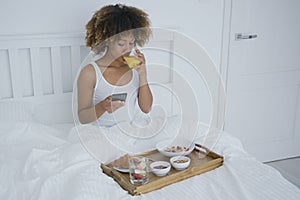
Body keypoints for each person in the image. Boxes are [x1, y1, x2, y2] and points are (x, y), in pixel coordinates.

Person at [77, 4, 153, 126]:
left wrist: (143, 74)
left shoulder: (134, 67)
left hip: (131, 132)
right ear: (107, 40)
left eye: (131, 43)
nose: (127, 49)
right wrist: (103, 106)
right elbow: (82, 117)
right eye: (121, 44)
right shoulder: (90, 72)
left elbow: (146, 109)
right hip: (101, 135)